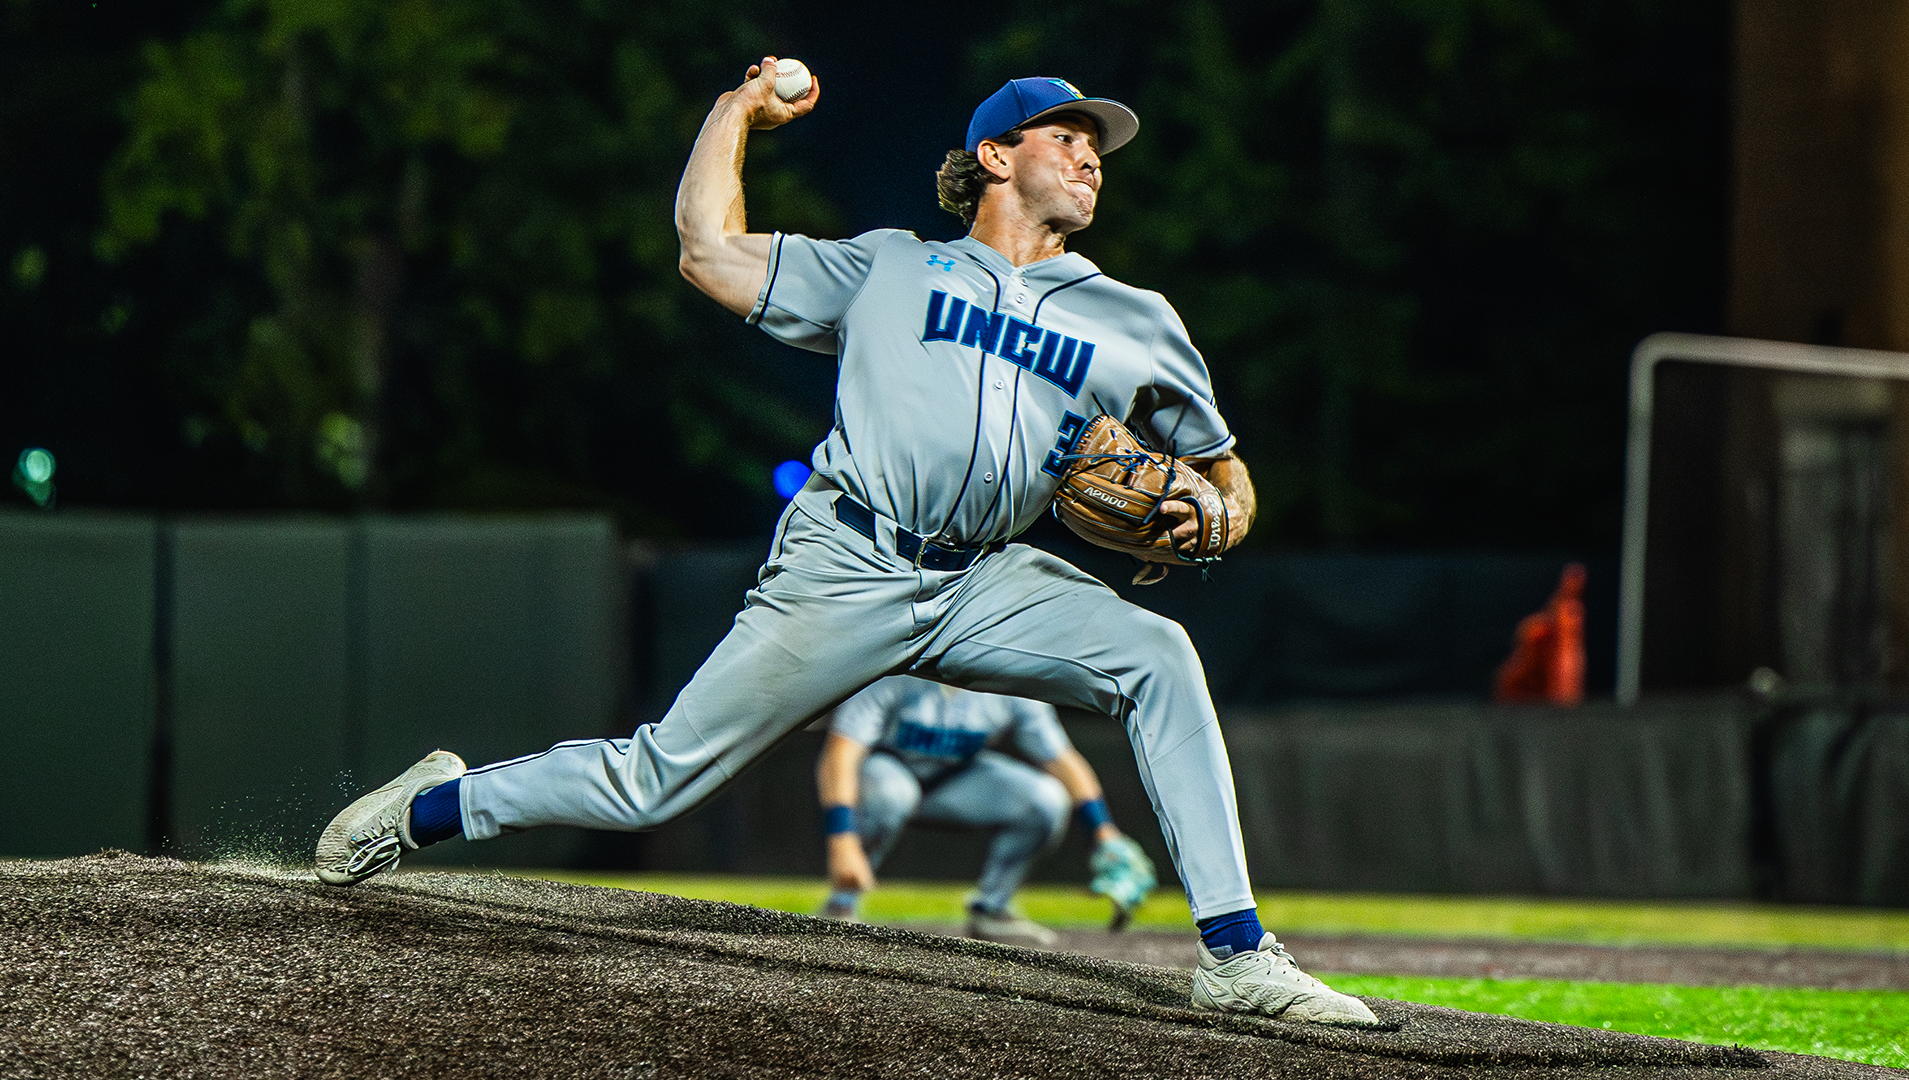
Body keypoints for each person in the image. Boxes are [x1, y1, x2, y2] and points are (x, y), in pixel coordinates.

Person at [316, 61, 1378, 1025]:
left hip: (987, 579)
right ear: (995, 156)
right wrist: (735, 113)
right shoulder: (891, 268)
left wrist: (1222, 513)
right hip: (847, 562)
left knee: (1160, 656)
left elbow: (1223, 467)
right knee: (653, 780)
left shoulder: (1138, 318)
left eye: (1097, 145)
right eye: (1066, 136)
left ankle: (1236, 955)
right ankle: (427, 810)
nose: (1090, 156)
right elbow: (707, 250)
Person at [816, 676, 1159, 947]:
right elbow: (840, 754)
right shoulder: (897, 672)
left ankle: (994, 907)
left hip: (956, 780)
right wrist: (842, 838)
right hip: (887, 773)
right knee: (892, 794)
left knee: (1045, 799)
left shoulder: (1010, 681)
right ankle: (841, 905)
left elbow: (1061, 758)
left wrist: (1103, 831)